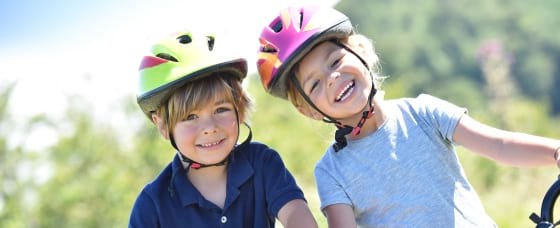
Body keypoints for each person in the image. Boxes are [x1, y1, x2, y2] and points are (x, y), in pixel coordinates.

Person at [255, 5, 560, 227]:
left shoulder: (423, 113)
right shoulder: (332, 171)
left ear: (361, 51)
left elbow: (500, 145)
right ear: (307, 109)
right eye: (315, 84)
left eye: (335, 60)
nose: (332, 78)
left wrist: (555, 151)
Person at [128, 29, 318, 228]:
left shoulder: (262, 163)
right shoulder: (152, 206)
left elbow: (295, 213)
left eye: (220, 110)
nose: (209, 128)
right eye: (190, 117)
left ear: (239, 109)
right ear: (163, 126)